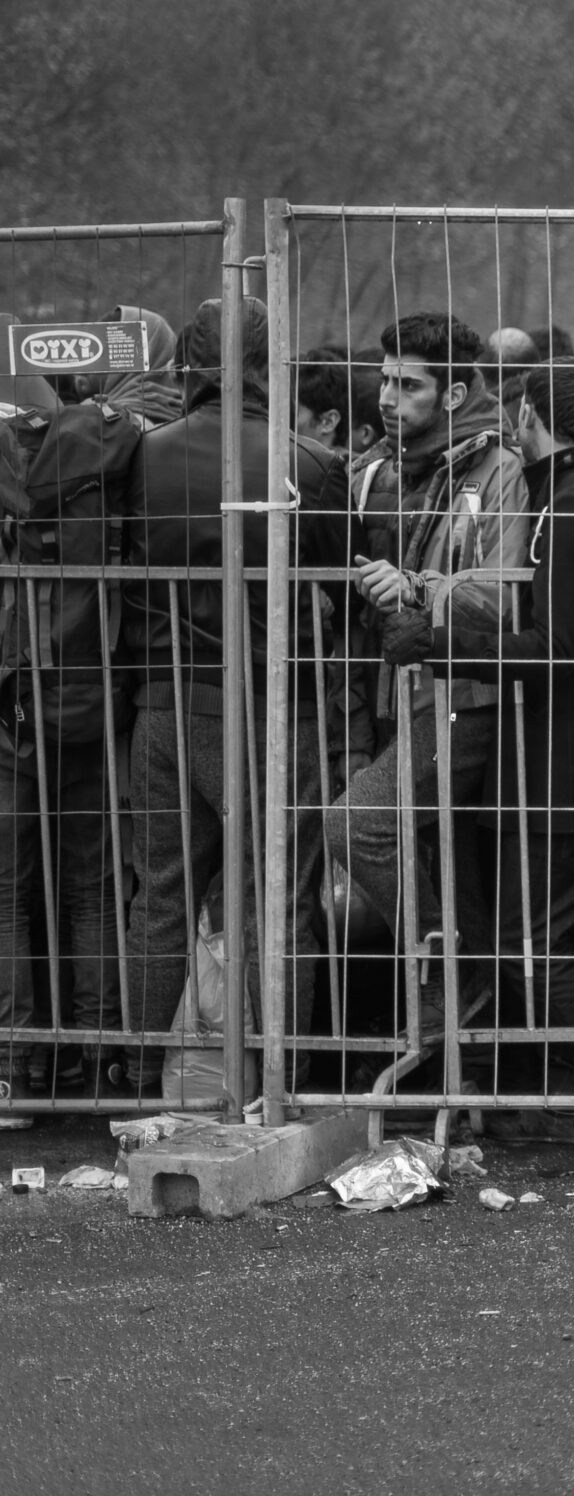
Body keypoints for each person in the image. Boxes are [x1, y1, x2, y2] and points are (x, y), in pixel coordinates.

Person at [376, 360, 574, 1144]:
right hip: (570, 748)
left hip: (560, 757)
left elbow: (555, 648)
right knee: (558, 932)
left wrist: (436, 642)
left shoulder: (569, 506)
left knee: (541, 938)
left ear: (531, 419)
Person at [119, 298, 350, 1097]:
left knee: (160, 900)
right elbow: (346, 599)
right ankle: (283, 1081)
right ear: (270, 362)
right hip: (274, 704)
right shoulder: (309, 463)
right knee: (281, 905)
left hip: (165, 701)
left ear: (187, 363)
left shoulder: (141, 457)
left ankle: (149, 1079)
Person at [330, 311, 531, 1014]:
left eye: (408, 385)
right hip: (386, 697)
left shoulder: (500, 468)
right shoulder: (371, 471)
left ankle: (453, 979)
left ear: (452, 393)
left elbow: (504, 599)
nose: (387, 398)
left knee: (355, 823)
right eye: (384, 380)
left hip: (463, 701)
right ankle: (468, 1006)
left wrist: (416, 587)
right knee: (448, 860)